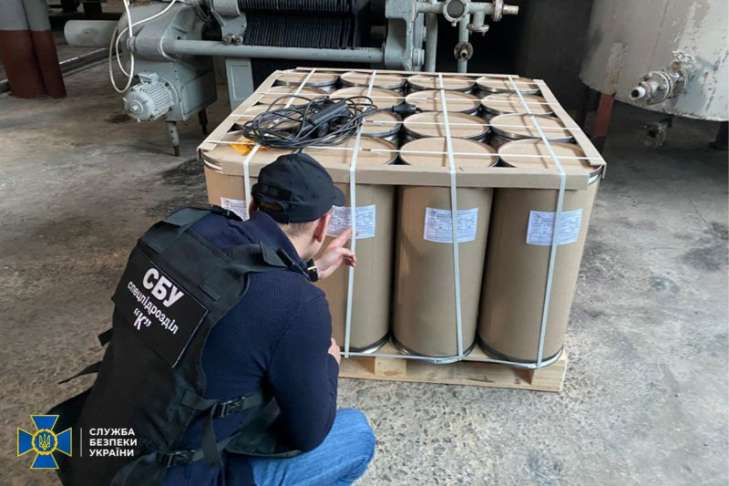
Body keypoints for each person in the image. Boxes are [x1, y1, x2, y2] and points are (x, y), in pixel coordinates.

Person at [162, 152, 376, 485]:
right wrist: (329, 363)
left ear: (252, 207)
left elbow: (234, 289)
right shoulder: (300, 305)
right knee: (356, 436)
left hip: (114, 439)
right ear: (322, 226)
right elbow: (309, 434)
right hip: (185, 474)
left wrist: (308, 270)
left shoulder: (190, 232)